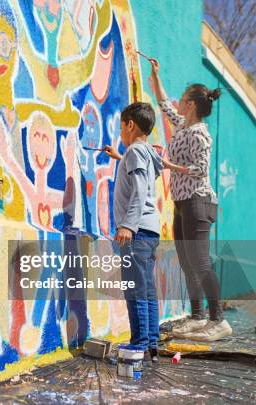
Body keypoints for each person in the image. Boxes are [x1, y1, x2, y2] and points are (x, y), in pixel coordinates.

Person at [149, 58, 232, 342]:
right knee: (186, 261)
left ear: (193, 105)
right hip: (182, 202)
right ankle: (197, 317)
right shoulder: (184, 125)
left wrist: (171, 167)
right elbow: (163, 104)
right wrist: (155, 76)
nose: (179, 102)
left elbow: (201, 170)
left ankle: (218, 320)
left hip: (198, 201)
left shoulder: (200, 134)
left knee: (200, 261)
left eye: (183, 99)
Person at [104, 102, 163, 362]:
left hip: (136, 232)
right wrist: (120, 157)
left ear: (130, 125)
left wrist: (127, 224)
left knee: (135, 290)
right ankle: (150, 343)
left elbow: (139, 190)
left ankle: (138, 346)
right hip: (149, 231)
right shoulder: (147, 153)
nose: (120, 134)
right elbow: (144, 181)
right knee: (146, 288)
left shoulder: (135, 152)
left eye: (121, 127)